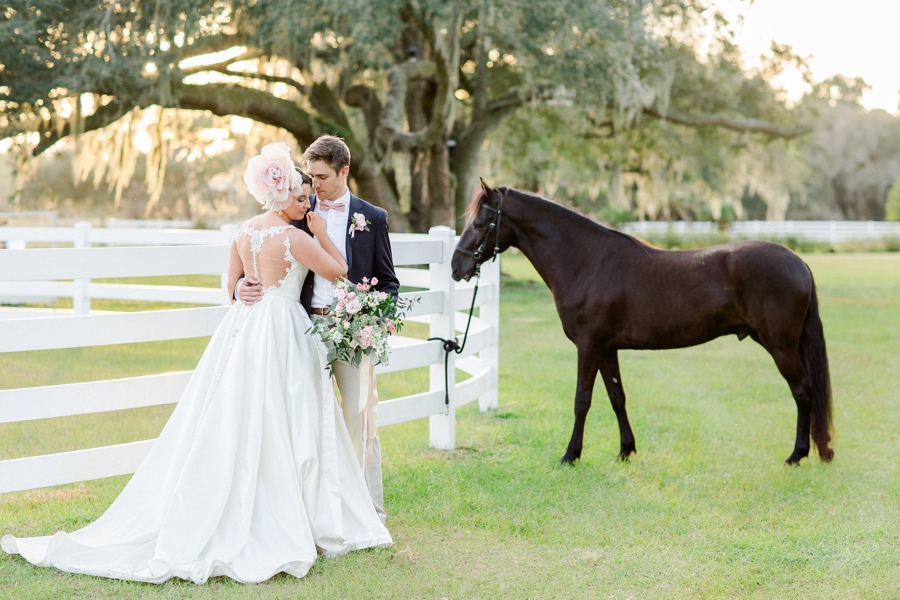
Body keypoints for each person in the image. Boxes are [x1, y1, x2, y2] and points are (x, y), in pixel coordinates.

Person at [1, 142, 392, 584]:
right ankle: (290, 511)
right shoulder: (297, 235)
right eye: (302, 196)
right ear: (283, 194)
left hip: (245, 333)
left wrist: (244, 289)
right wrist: (319, 231)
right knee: (290, 419)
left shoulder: (244, 231)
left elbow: (232, 286)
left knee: (242, 418)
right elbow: (338, 270)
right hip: (282, 332)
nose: (309, 202)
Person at [236, 135, 399, 523]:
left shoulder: (371, 218)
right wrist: (241, 285)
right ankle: (312, 509)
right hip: (301, 328)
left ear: (345, 171)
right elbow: (262, 259)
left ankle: (368, 508)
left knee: (359, 418)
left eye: (322, 176)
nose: (314, 185)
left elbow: (389, 282)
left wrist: (374, 317)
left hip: (351, 330)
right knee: (303, 417)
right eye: (310, 176)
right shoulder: (296, 213)